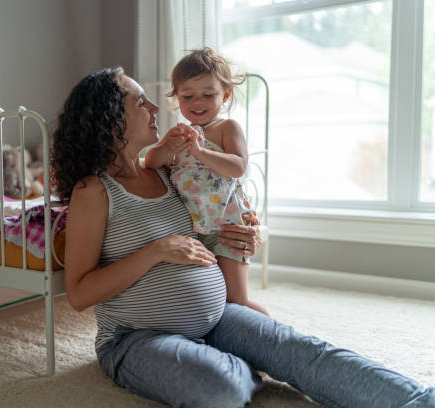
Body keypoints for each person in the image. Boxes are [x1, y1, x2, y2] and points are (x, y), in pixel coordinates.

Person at [51, 67, 434, 408]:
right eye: (140, 102)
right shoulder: (94, 192)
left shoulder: (168, 173)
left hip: (217, 319)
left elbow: (214, 215)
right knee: (219, 389)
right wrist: (156, 251)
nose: (154, 108)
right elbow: (80, 295)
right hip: (136, 338)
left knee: (302, 351)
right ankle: (238, 363)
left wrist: (243, 232)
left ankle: (417, 400)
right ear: (111, 119)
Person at [145, 47, 268, 315]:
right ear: (177, 98)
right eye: (188, 96)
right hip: (191, 231)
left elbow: (238, 167)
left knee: (236, 301)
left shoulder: (227, 128)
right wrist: (168, 148)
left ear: (225, 95)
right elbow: (151, 162)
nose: (197, 102)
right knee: (205, 300)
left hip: (228, 226)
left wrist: (200, 151)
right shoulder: (177, 134)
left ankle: (273, 333)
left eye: (208, 94)